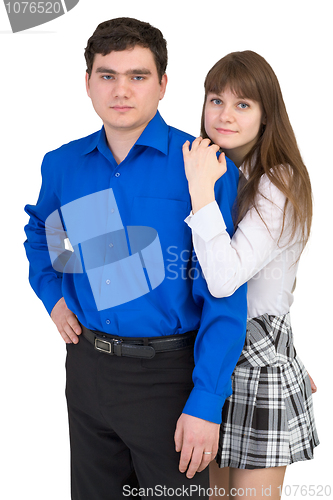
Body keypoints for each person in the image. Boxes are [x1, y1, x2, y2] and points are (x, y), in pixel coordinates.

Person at [23, 18, 247, 499]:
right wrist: (55, 296)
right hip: (87, 372)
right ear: (87, 83)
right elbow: (43, 234)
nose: (121, 90)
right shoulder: (63, 165)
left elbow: (226, 294)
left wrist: (207, 400)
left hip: (171, 380)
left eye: (138, 76)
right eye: (107, 75)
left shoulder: (203, 165)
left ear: (163, 84)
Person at [183, 50, 319, 500]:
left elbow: (226, 280)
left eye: (243, 105)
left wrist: (199, 191)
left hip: (257, 359)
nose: (224, 115)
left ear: (266, 115)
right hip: (215, 354)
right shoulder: (226, 174)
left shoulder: (277, 180)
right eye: (216, 100)